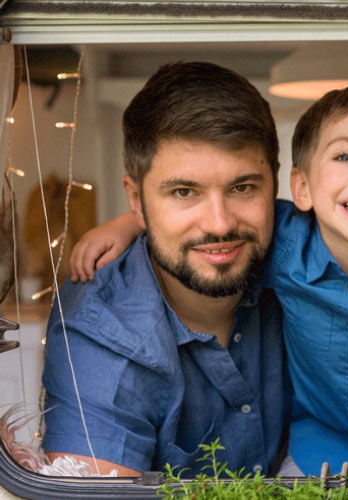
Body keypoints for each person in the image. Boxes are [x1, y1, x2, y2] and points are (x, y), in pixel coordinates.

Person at [69, 83, 348, 476]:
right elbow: (199, 228)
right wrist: (131, 224)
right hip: (312, 458)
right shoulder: (280, 240)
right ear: (302, 188)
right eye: (345, 156)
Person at [42, 61, 287, 477]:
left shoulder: (304, 249)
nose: (220, 223)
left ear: (276, 185)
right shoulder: (100, 328)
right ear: (135, 200)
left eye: (242, 187)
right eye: (183, 192)